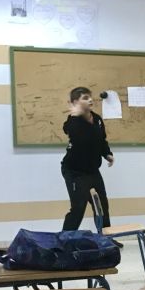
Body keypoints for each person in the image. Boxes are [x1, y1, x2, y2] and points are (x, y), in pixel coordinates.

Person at [61, 86, 114, 232]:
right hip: (74, 172)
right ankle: (65, 241)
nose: (90, 100)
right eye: (85, 98)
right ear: (75, 102)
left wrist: (107, 154)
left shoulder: (96, 119)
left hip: (92, 170)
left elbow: (101, 140)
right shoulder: (73, 121)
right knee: (78, 207)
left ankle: (106, 239)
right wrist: (76, 116)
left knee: (102, 205)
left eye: (90, 97)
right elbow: (71, 132)